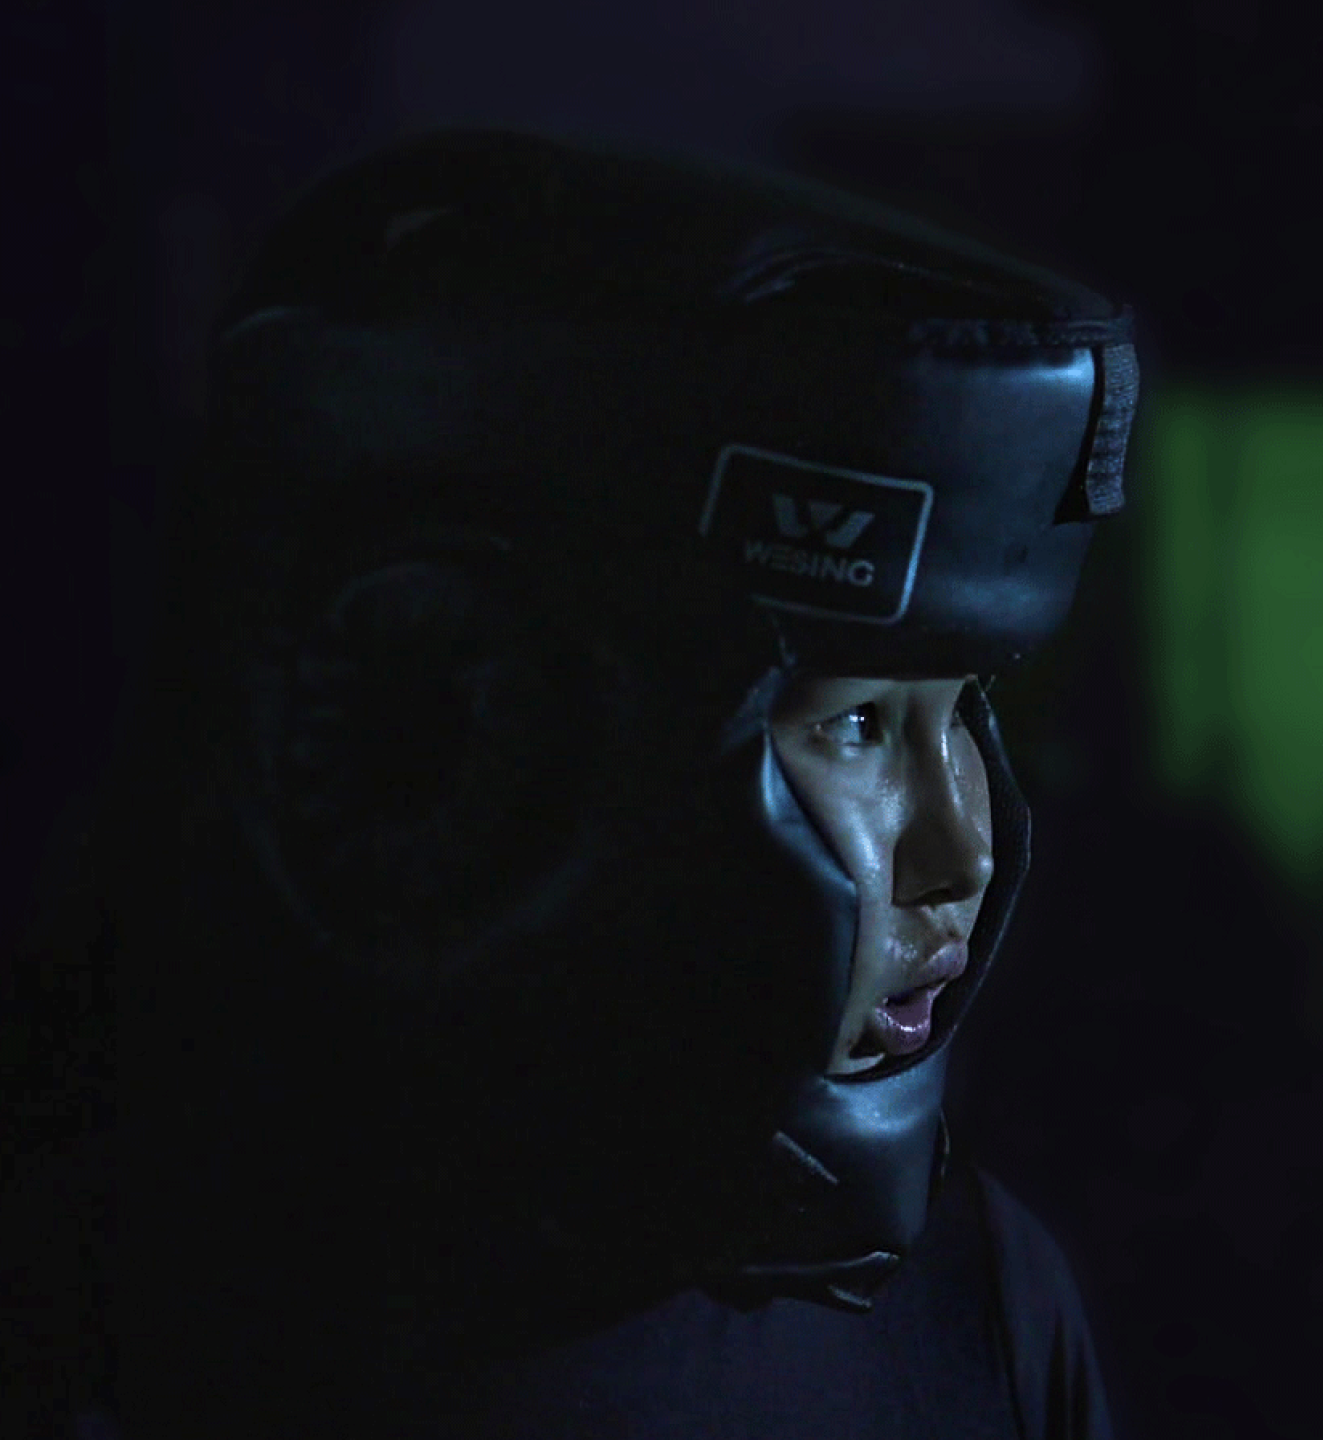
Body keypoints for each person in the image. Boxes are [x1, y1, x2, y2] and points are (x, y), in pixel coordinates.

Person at [3, 127, 1138, 1440]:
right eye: (858, 727)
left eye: (964, 714)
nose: (959, 856)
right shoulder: (97, 1301)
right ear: (454, 736)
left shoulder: (982, 1304)